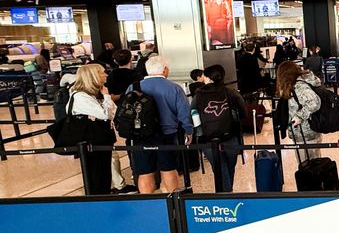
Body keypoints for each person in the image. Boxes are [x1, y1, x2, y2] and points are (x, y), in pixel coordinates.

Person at [129, 56, 193, 194]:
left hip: (140, 135)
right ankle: (173, 202)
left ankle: (148, 203)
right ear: (164, 70)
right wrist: (189, 131)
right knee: (169, 169)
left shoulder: (133, 87)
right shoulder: (174, 88)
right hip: (167, 134)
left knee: (145, 172)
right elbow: (184, 114)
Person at [192, 64, 246, 192]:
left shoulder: (198, 95)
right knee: (229, 167)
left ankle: (224, 196)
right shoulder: (231, 92)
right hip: (230, 137)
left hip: (208, 140)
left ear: (207, 77)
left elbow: (192, 115)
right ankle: (227, 194)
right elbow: (243, 113)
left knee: (219, 168)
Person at [69, 64, 117, 195]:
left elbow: (112, 112)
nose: (106, 75)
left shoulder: (95, 94)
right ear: (93, 76)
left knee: (104, 171)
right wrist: (107, 97)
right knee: (97, 173)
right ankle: (98, 199)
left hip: (101, 139)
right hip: (92, 141)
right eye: (102, 72)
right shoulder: (81, 97)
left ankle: (104, 196)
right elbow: (106, 114)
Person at [277, 61, 323, 159]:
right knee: (310, 166)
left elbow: (315, 102)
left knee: (310, 167)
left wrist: (299, 116)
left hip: (306, 133)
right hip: (304, 133)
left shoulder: (299, 86)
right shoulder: (296, 84)